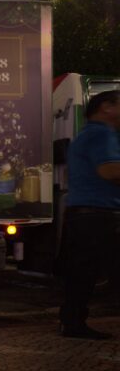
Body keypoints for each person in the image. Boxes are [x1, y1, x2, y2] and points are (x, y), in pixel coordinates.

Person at [57, 90, 120, 339]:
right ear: (107, 107)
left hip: (83, 214)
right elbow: (110, 171)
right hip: (100, 216)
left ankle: (72, 322)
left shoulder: (85, 135)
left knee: (82, 274)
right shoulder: (102, 134)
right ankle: (73, 322)